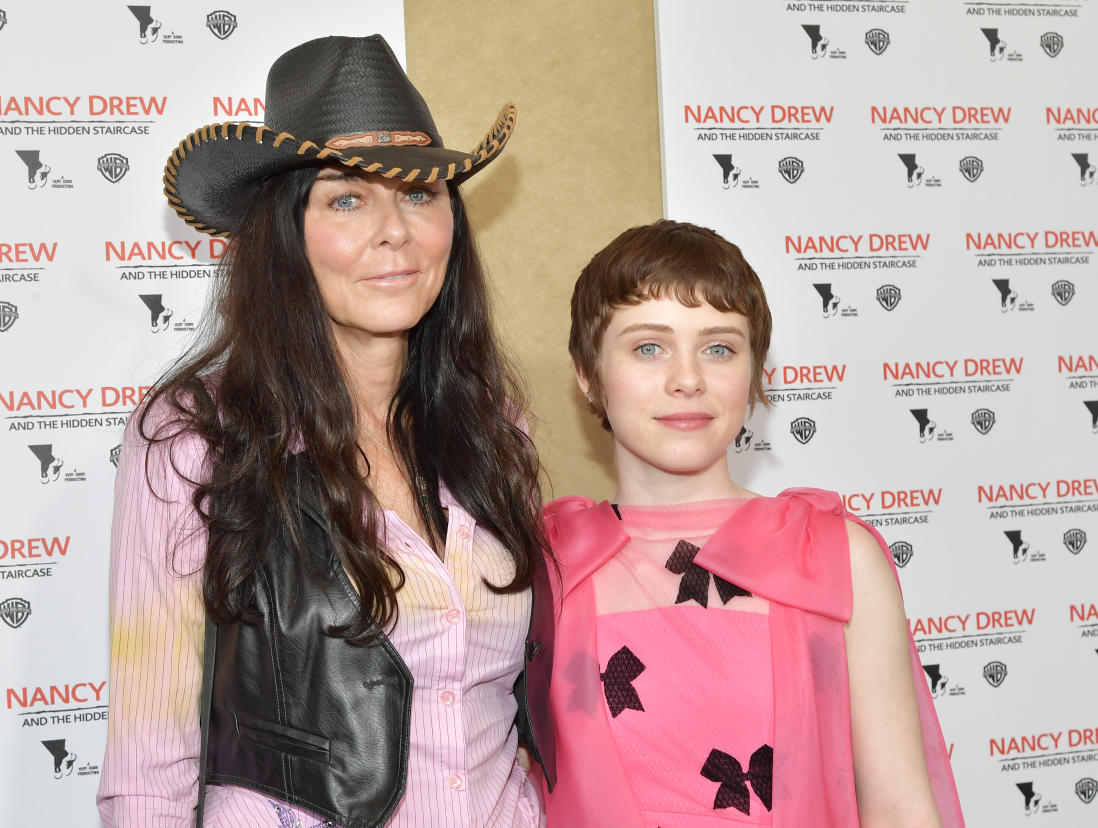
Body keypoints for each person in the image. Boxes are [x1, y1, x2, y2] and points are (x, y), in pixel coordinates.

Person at [97, 34, 554, 828]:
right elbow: (148, 763)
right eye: (347, 198)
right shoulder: (192, 438)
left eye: (419, 193)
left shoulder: (491, 421)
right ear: (286, 233)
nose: (396, 231)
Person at [542, 220, 964, 827]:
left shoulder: (831, 556)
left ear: (753, 373)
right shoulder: (547, 564)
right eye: (648, 347)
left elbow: (899, 808)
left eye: (719, 348)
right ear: (588, 373)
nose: (687, 378)